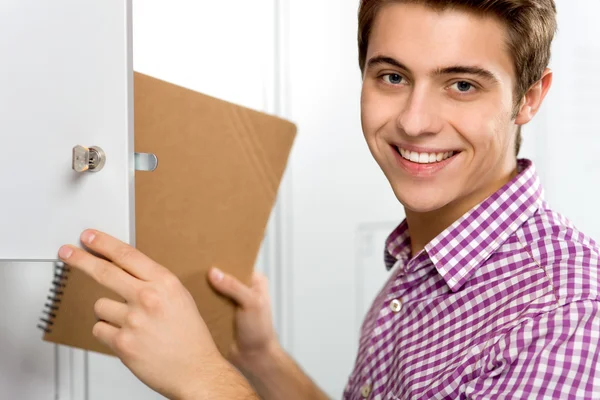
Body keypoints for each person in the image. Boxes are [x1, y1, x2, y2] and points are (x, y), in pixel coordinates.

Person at [57, 0, 600, 398]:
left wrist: (204, 380)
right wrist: (261, 359)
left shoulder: (566, 319)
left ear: (529, 98)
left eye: (461, 85)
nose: (414, 121)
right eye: (392, 76)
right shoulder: (422, 263)